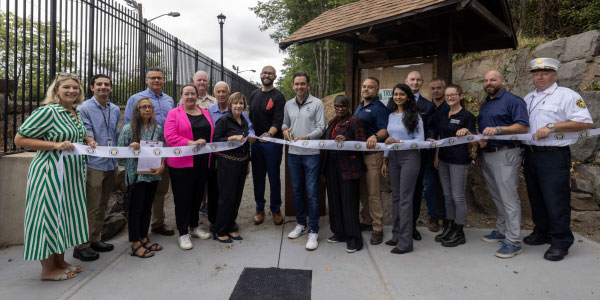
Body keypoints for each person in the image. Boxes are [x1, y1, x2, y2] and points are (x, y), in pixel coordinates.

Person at [15, 74, 96, 280]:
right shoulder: (48, 111)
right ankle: (48, 270)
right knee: (47, 218)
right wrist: (55, 145)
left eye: (75, 88)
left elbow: (75, 135)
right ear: (56, 90)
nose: (72, 91)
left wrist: (87, 138)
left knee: (62, 218)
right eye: (66, 87)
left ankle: (60, 262)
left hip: (69, 177)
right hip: (49, 175)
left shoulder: (72, 112)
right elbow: (20, 139)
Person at [522, 57, 593, 261]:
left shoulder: (567, 96)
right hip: (532, 154)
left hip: (553, 156)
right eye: (536, 73)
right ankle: (541, 231)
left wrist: (553, 127)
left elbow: (585, 123)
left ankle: (561, 241)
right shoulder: (528, 98)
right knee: (536, 197)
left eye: (545, 72)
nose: (540, 76)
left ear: (555, 75)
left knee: (556, 199)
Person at [478, 70, 530, 259]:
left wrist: (499, 130)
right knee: (497, 195)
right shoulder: (486, 103)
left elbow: (523, 127)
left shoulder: (514, 101)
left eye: (493, 79)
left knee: (509, 197)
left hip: (506, 154)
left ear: (503, 81)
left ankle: (514, 241)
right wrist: (482, 140)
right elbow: (485, 130)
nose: (488, 83)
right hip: (488, 154)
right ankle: (502, 230)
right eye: (485, 80)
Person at [74, 74, 120, 262]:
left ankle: (95, 238)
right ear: (92, 87)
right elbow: (85, 131)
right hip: (94, 163)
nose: (103, 87)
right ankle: (82, 245)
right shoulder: (84, 108)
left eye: (106, 84)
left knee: (103, 203)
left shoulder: (115, 109)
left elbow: (115, 133)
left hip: (111, 162)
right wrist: (90, 139)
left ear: (111, 88)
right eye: (99, 84)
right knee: (91, 206)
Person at [124, 66, 175, 236]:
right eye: (153, 78)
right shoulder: (136, 98)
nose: (156, 81)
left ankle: (157, 224)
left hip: (163, 152)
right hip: (141, 155)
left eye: (159, 78)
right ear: (146, 80)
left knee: (160, 190)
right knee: (140, 195)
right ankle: (138, 233)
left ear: (163, 80)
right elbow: (128, 126)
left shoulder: (169, 100)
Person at [164, 84, 213, 250]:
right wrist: (191, 143)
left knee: (197, 195)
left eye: (193, 94)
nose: (190, 97)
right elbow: (170, 136)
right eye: (187, 94)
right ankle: (183, 232)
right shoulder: (173, 113)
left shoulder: (205, 112)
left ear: (197, 95)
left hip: (202, 161)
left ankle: (194, 225)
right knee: (183, 198)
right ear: (181, 96)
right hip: (182, 163)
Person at [283, 72, 326, 251]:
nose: (299, 87)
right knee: (298, 191)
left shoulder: (317, 103)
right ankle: (301, 224)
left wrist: (306, 137)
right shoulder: (288, 104)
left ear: (308, 85)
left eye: (302, 84)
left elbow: (321, 128)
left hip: (311, 155)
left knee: (313, 193)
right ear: (293, 86)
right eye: (297, 84)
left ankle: (314, 230)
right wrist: (285, 131)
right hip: (293, 154)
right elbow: (284, 124)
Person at [118, 98, 166, 258]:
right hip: (136, 177)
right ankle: (135, 243)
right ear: (137, 110)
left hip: (152, 175)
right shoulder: (128, 129)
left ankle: (144, 237)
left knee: (147, 208)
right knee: (135, 210)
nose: (147, 109)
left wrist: (162, 166)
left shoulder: (157, 129)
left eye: (150, 106)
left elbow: (161, 151)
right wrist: (131, 150)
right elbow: (120, 157)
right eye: (143, 107)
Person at [381, 83, 424, 254]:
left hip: (410, 157)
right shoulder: (391, 115)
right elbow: (389, 139)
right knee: (396, 198)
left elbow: (420, 140)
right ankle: (396, 235)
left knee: (406, 199)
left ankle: (406, 243)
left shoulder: (415, 116)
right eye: (395, 94)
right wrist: (384, 159)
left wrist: (399, 142)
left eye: (401, 94)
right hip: (393, 158)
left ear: (408, 97)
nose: (398, 97)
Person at [432, 84, 476, 247]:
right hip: (443, 159)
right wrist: (436, 155)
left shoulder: (467, 116)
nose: (450, 98)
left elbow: (475, 139)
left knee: (458, 196)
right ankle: (449, 226)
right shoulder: (443, 114)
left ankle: (459, 230)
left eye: (453, 95)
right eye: (447, 95)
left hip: (459, 160)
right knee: (447, 195)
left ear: (461, 96)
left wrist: (466, 131)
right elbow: (439, 136)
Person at [207, 82, 253, 235]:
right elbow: (215, 141)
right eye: (235, 103)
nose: (239, 106)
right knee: (226, 197)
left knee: (237, 196)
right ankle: (220, 230)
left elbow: (245, 143)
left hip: (242, 162)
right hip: (227, 163)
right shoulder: (224, 120)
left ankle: (231, 226)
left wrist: (248, 162)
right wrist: (231, 137)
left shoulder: (244, 120)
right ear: (230, 105)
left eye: (241, 103)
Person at [322, 95, 366, 253]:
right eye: (337, 106)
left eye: (343, 106)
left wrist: (347, 140)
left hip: (348, 168)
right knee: (334, 202)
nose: (340, 109)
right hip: (331, 167)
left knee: (349, 204)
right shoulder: (332, 121)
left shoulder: (355, 121)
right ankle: (339, 233)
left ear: (349, 106)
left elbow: (362, 143)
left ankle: (354, 239)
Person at [404, 71, 446, 239]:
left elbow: (431, 128)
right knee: (404, 191)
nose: (415, 82)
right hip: (401, 156)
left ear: (422, 83)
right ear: (406, 81)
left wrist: (427, 139)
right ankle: (403, 225)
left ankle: (418, 224)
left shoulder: (428, 106)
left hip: (423, 155)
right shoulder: (396, 101)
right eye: (412, 79)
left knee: (425, 186)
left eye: (418, 80)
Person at [249, 66, 286, 226]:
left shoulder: (278, 96)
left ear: (275, 76)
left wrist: (269, 134)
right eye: (264, 72)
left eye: (270, 73)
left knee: (273, 177)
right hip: (256, 144)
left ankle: (276, 209)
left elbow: (278, 120)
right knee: (258, 177)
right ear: (260, 75)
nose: (267, 75)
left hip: (273, 143)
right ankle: (259, 208)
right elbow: (250, 118)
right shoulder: (254, 94)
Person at [354, 77, 389, 245]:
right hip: (358, 156)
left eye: (370, 87)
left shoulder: (379, 108)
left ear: (377, 90)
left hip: (373, 156)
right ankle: (366, 220)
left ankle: (378, 228)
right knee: (362, 191)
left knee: (374, 193)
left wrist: (375, 136)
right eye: (364, 86)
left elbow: (385, 130)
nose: (366, 89)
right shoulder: (360, 106)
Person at [428, 77, 451, 234]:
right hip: (427, 153)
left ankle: (446, 216)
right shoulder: (427, 107)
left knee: (445, 186)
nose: (436, 91)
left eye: (439, 88)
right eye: (433, 88)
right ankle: (433, 216)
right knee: (429, 186)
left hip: (445, 153)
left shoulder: (449, 108)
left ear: (444, 90)